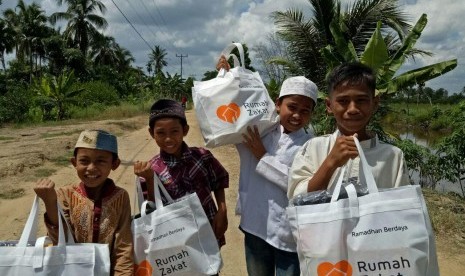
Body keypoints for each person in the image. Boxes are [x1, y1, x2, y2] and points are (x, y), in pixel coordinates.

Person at [218, 55, 319, 276]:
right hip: (255, 226)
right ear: (277, 103)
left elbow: (302, 186)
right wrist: (227, 78)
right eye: (292, 106)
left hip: (289, 235)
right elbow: (232, 114)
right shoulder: (260, 131)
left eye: (305, 111)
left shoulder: (312, 145)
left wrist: (263, 157)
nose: (296, 115)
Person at [288, 62, 409, 199]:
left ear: (374, 103)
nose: (352, 109)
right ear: (329, 105)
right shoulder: (313, 148)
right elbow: (296, 199)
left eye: (361, 100)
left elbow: (402, 205)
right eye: (343, 101)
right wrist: (330, 163)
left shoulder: (393, 156)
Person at [33, 129, 134, 275]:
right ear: (74, 162)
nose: (91, 168)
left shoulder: (120, 196)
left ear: (115, 164)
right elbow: (59, 239)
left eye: (101, 161)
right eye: (84, 161)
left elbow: (123, 245)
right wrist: (50, 202)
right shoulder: (65, 195)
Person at [133, 99, 229, 248]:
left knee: (211, 268)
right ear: (151, 133)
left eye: (174, 131)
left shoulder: (202, 156)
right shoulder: (152, 169)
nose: (168, 139)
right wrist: (149, 179)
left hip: (208, 229)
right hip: (175, 239)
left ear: (185, 130)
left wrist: (222, 211)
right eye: (161, 133)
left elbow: (219, 181)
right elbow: (151, 210)